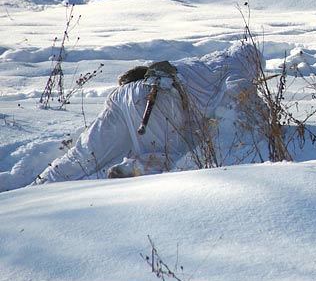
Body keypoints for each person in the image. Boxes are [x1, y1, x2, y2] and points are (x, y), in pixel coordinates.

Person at [0, 41, 263, 191]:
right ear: (253, 63)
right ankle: (130, 170)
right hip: (158, 98)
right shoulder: (237, 69)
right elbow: (241, 99)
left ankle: (36, 187)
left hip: (126, 94)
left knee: (85, 154)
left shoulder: (204, 62)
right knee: (168, 155)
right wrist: (263, 121)